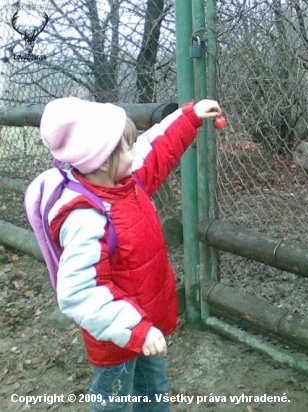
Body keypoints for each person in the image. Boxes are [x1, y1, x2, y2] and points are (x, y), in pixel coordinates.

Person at [39, 97, 222, 411]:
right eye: (127, 147)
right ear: (101, 160)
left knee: (153, 394)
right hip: (117, 339)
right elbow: (82, 290)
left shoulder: (126, 182)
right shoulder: (86, 217)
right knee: (115, 402)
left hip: (146, 325)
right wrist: (136, 331)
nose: (135, 151)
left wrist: (189, 116)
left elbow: (157, 149)